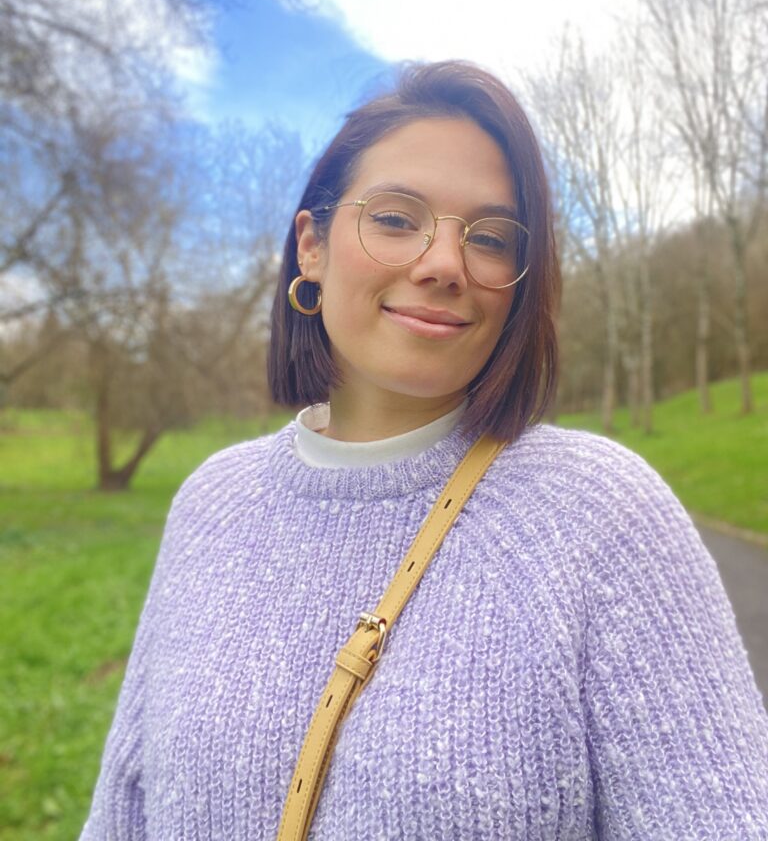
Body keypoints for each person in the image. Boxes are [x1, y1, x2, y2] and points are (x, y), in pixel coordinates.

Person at [80, 61, 768, 840]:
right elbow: (121, 817)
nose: (444, 264)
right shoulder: (212, 504)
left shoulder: (603, 517)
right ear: (312, 246)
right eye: (396, 219)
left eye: (491, 237)